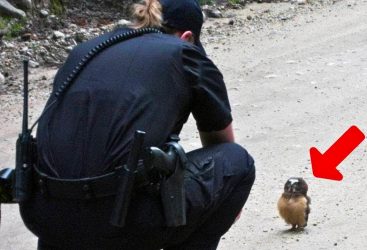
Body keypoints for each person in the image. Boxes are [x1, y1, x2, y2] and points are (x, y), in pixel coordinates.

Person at [19, 0, 256, 249]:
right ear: (187, 37)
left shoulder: (84, 52)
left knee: (72, 186)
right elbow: (221, 143)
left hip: (45, 216)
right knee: (237, 163)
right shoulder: (184, 52)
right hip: (120, 219)